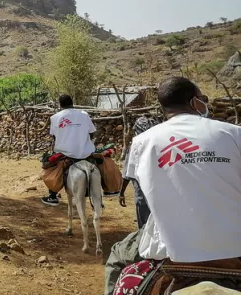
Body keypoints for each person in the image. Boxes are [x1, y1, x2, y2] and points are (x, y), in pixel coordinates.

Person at [112, 76, 241, 294]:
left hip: (172, 249)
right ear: (194, 102)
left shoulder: (143, 141)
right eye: (203, 99)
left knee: (117, 257)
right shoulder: (234, 133)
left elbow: (144, 187)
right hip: (235, 244)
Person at [41, 94, 98, 206]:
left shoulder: (55, 117)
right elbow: (92, 132)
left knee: (51, 166)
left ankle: (52, 196)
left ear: (60, 104)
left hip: (65, 152)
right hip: (85, 152)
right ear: (72, 102)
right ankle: (109, 189)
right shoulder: (84, 114)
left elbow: (54, 136)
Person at [119, 115, 159, 229]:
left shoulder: (135, 146)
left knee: (144, 227)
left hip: (142, 194)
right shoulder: (161, 144)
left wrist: (121, 193)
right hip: (161, 193)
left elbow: (127, 171)